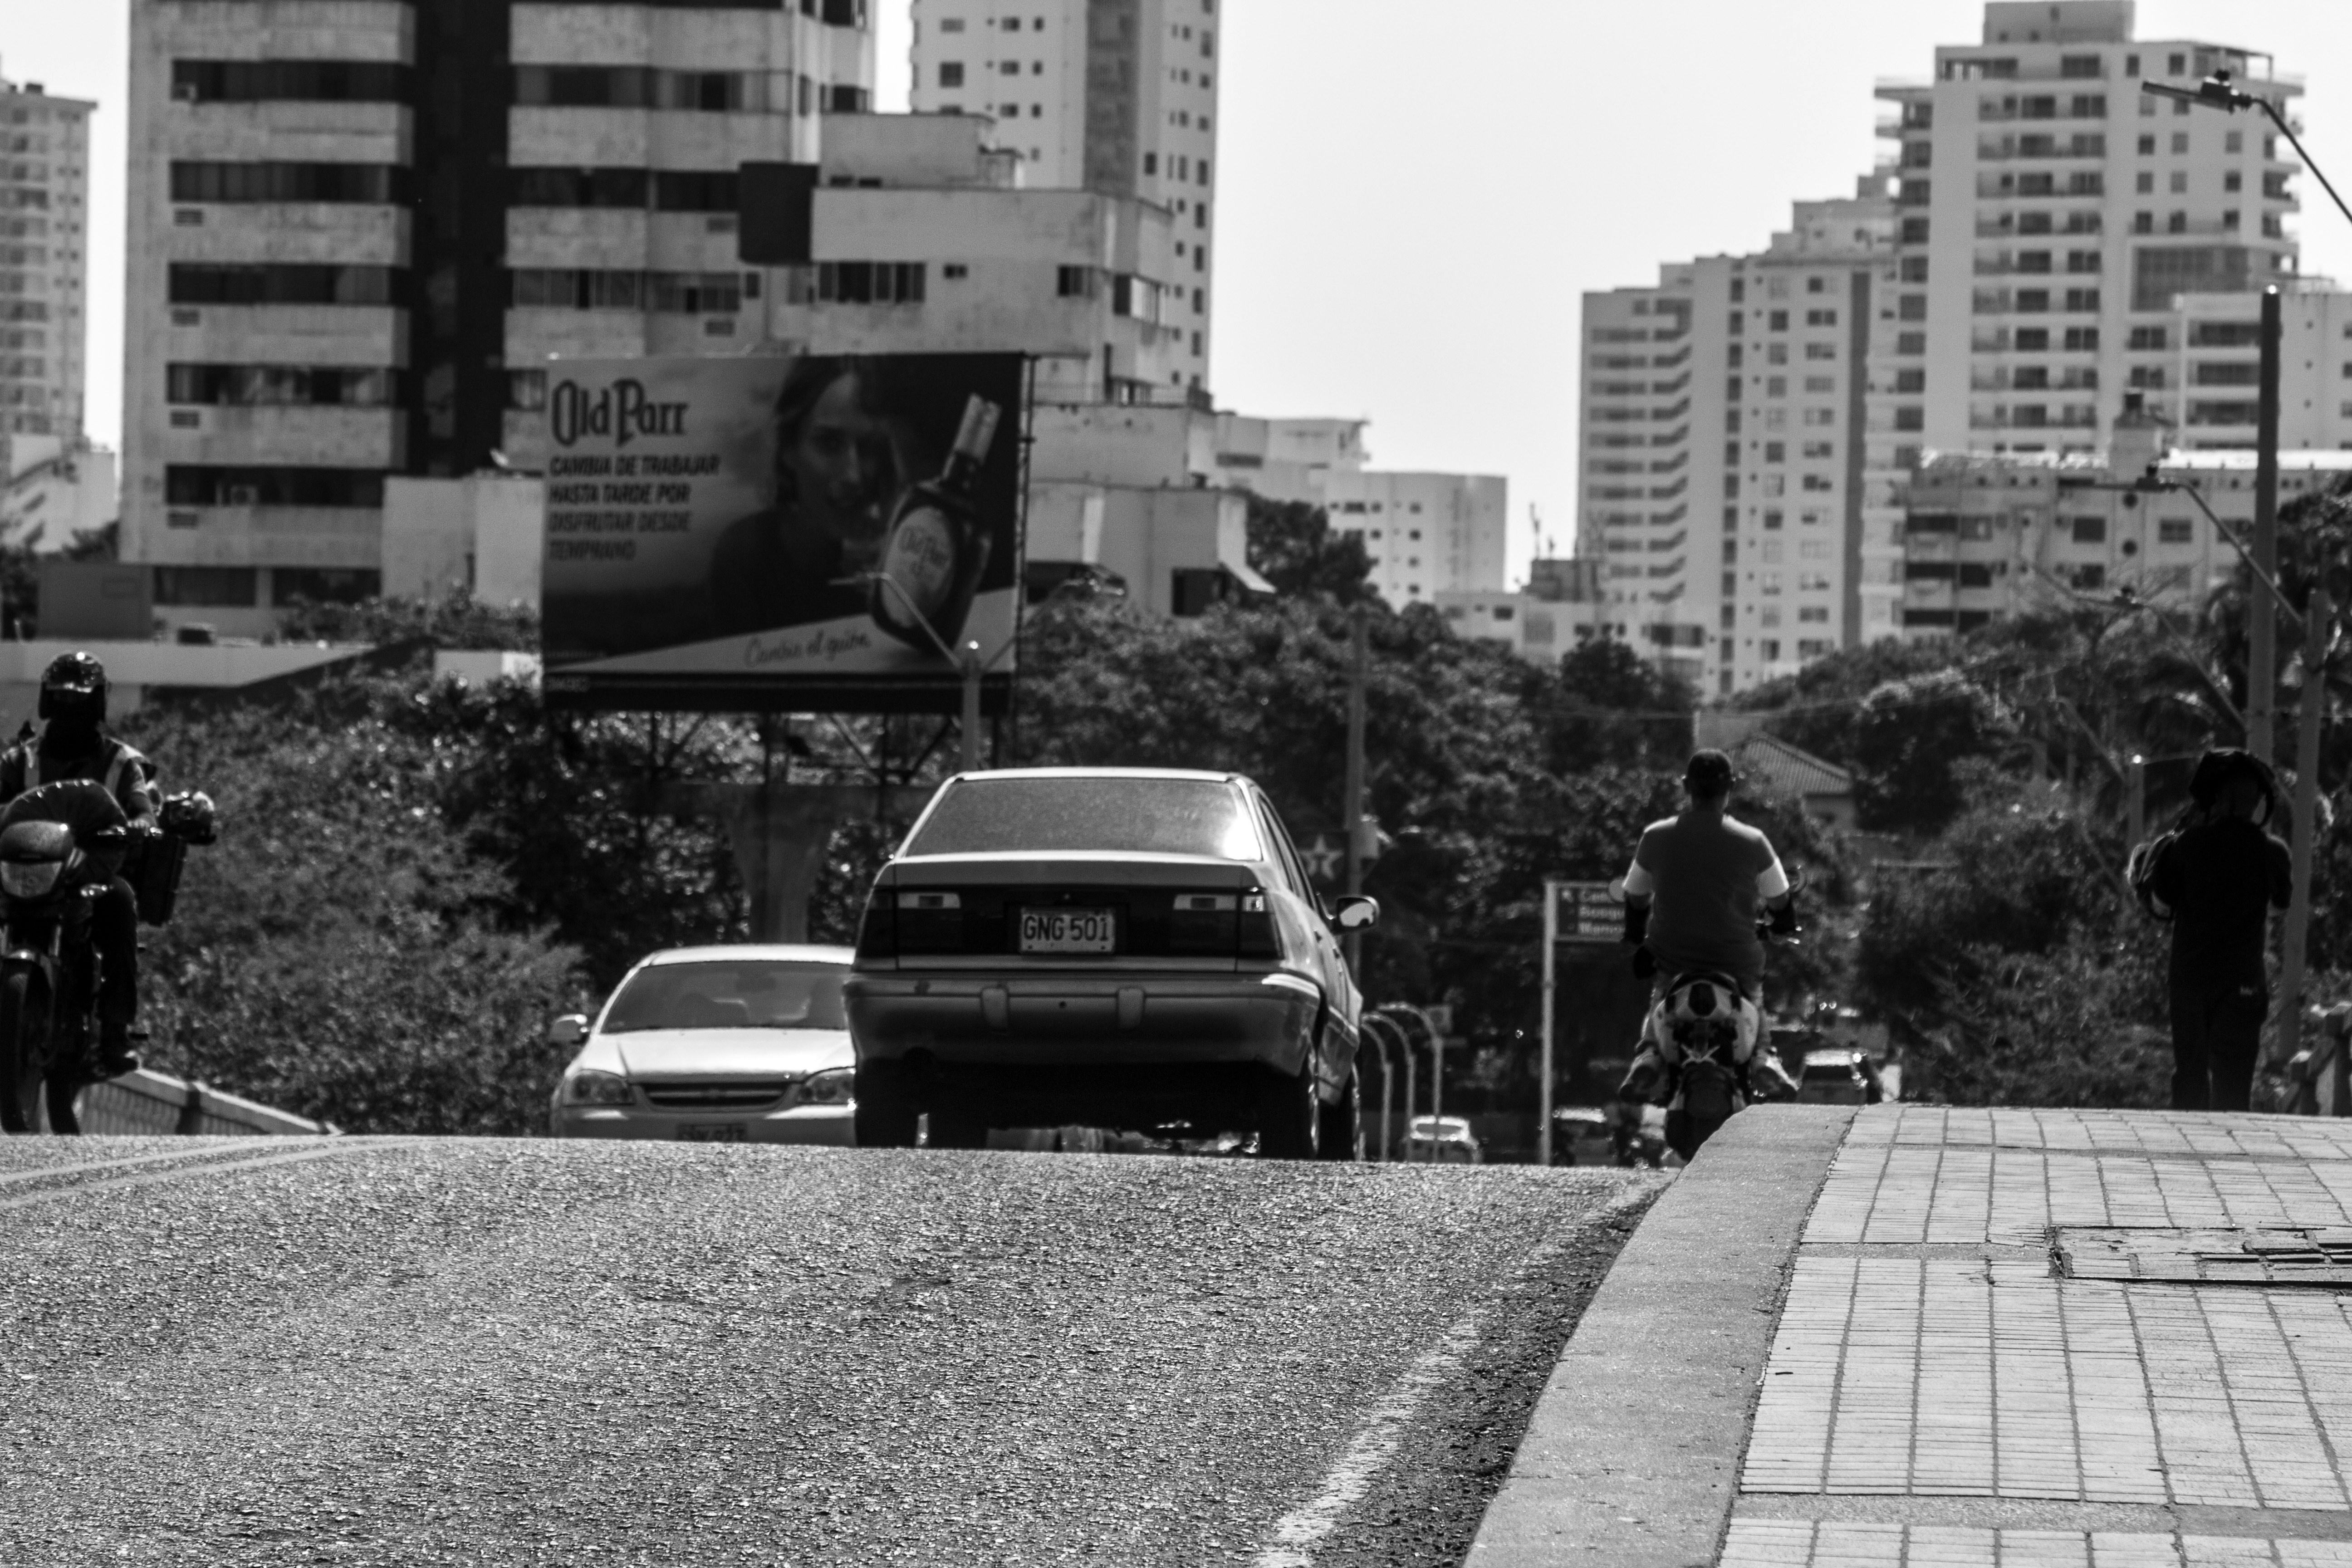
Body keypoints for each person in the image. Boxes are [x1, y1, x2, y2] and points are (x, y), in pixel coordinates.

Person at [1615, 750, 1798, 1118]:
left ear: (1686, 787)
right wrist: (1781, 924)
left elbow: (1635, 896)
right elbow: (1780, 899)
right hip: (1737, 960)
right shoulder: (1753, 840)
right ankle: (1764, 1056)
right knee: (1755, 1000)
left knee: (1660, 999)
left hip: (1673, 958)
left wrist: (1635, 932)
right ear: (1730, 788)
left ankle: (1649, 1055)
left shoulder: (1655, 837)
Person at [0, 652, 157, 1077]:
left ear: (98, 705)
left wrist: (140, 826)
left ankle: (115, 1031)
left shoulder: (122, 763)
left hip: (94, 867)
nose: (70, 711)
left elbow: (143, 809)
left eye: (80, 702)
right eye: (62, 700)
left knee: (122, 903)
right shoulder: (21, 760)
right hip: (26, 866)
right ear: (48, 702)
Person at [707, 356, 908, 638]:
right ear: (790, 449)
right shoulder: (744, 556)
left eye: (868, 447)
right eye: (829, 443)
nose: (853, 475)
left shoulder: (892, 559)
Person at [2142, 747, 2292, 1112]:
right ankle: (2229, 1159)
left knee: (2190, 1076)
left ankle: (2188, 1161)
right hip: (2243, 979)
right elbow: (2280, 905)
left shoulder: (2187, 846)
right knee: (2234, 1083)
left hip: (2191, 977)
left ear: (2217, 799)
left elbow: (2160, 901)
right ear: (2256, 802)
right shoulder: (2272, 852)